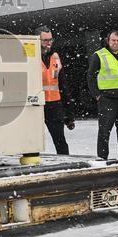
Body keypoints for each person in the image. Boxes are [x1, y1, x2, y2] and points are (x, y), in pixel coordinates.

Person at [86, 30, 118, 160]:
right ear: (108, 40)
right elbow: (91, 76)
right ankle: (102, 159)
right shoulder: (99, 55)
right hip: (107, 99)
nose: (116, 43)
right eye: (113, 40)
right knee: (104, 132)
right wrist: (96, 94)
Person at [37, 26, 75, 154]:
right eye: (45, 40)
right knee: (32, 142)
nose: (48, 42)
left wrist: (69, 112)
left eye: (50, 39)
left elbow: (63, 85)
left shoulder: (56, 56)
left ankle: (67, 167)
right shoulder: (30, 57)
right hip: (36, 105)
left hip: (54, 104)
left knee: (60, 140)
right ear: (37, 40)